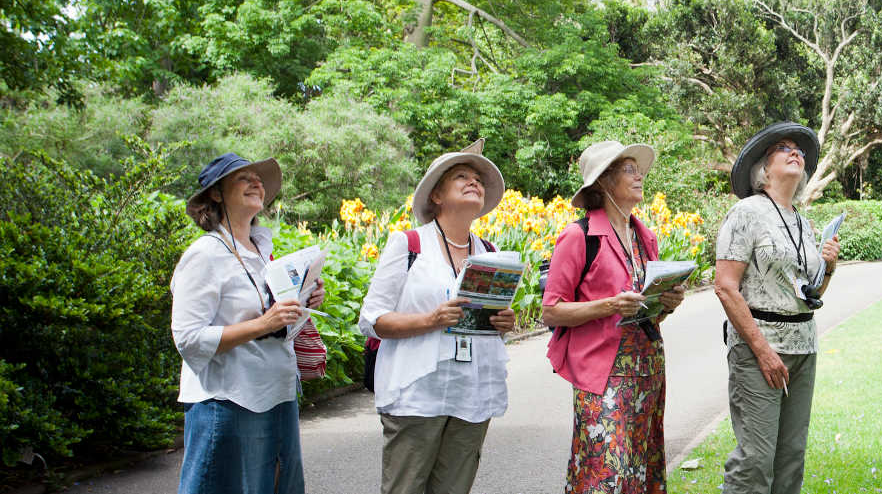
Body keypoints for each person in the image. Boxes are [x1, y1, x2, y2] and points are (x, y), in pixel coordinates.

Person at [358, 140, 517, 494]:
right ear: (436, 196)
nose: (473, 182)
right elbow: (372, 319)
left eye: (478, 178)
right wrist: (431, 320)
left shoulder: (490, 253)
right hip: (417, 392)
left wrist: (503, 323)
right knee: (405, 488)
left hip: (472, 393)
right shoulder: (409, 243)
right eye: (462, 176)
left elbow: (487, 324)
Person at [171, 152, 324, 494]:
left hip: (276, 392)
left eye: (259, 179)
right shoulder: (204, 254)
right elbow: (188, 338)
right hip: (227, 401)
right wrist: (263, 323)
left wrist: (304, 299)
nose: (257, 183)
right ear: (215, 193)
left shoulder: (261, 251)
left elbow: (273, 319)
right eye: (244, 178)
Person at [543, 140, 687, 493]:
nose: (639, 176)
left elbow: (646, 312)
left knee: (642, 465)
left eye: (638, 169)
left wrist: (666, 302)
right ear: (604, 182)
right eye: (629, 169)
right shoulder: (579, 237)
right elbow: (551, 309)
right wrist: (609, 305)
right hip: (602, 375)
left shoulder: (644, 237)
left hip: (646, 371)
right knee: (605, 472)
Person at [712, 122, 840, 494]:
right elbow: (725, 286)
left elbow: (811, 293)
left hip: (803, 347)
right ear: (763, 170)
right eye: (784, 148)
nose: (795, 152)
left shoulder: (802, 222)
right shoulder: (746, 213)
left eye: (799, 149)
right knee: (755, 459)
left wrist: (828, 266)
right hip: (759, 349)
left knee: (791, 457)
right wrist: (763, 351)